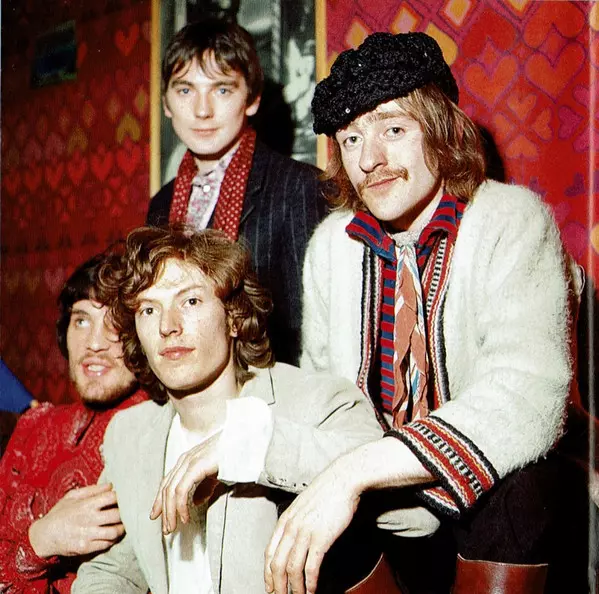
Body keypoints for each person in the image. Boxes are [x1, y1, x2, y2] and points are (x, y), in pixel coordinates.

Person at [263, 32, 587, 594]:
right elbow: (324, 403)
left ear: (440, 128)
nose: (370, 160)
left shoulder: (510, 220)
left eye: (393, 129)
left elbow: (526, 399)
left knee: (525, 487)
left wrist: (352, 473)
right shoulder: (332, 246)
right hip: (387, 512)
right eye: (351, 138)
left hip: (491, 507)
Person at [72, 226, 383, 593]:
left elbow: (415, 514)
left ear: (234, 317)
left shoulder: (314, 401)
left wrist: (248, 447)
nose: (168, 327)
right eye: (149, 309)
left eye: (190, 301)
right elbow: (113, 570)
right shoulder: (129, 435)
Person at [147, 19, 325, 366]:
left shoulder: (298, 188)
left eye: (222, 90)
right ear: (166, 102)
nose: (202, 110)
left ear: (252, 99)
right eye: (185, 91)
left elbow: (311, 336)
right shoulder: (162, 204)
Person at [0, 251, 146, 593]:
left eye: (116, 323)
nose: (94, 343)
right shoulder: (35, 424)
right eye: (81, 320)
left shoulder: (155, 432)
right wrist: (42, 539)